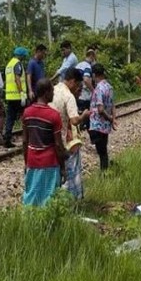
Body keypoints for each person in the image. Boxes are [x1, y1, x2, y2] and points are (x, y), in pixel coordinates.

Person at [22, 78, 67, 206]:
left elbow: (25, 141)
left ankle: (29, 220)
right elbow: (58, 145)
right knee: (49, 196)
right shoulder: (54, 115)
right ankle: (47, 223)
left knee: (31, 194)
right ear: (46, 92)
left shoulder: (27, 112)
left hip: (32, 160)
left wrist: (26, 162)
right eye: (52, 91)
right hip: (50, 163)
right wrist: (63, 168)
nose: (53, 93)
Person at [50, 68, 90, 199]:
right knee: (69, 170)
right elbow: (74, 120)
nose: (78, 89)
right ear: (73, 82)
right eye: (78, 85)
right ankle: (72, 198)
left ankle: (54, 197)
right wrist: (83, 115)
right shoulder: (68, 96)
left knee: (55, 170)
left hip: (49, 137)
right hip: (62, 140)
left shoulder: (53, 90)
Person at [89, 63, 116, 170]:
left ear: (94, 75)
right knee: (103, 151)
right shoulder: (109, 87)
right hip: (105, 127)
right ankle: (105, 173)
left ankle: (104, 174)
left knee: (101, 153)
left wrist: (110, 118)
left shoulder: (99, 88)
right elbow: (112, 104)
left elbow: (100, 109)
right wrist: (113, 118)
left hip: (98, 125)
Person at [3, 47, 29, 148]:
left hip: (9, 96)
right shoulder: (17, 64)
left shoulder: (9, 64)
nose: (24, 57)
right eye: (24, 55)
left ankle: (7, 139)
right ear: (21, 55)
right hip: (18, 96)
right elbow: (17, 78)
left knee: (10, 118)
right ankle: (28, 138)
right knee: (25, 116)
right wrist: (22, 92)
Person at [75, 48, 96, 113]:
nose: (94, 60)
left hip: (77, 95)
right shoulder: (87, 66)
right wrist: (93, 91)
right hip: (85, 96)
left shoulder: (79, 65)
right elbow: (86, 80)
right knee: (85, 117)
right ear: (91, 56)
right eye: (94, 57)